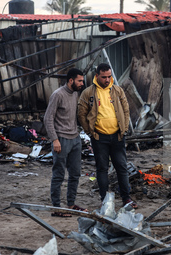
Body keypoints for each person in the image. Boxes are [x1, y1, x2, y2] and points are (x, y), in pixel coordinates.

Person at [78, 63, 138, 209]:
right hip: (99, 138)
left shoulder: (117, 91)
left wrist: (123, 129)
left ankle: (126, 199)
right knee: (102, 169)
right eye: (104, 77)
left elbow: (125, 110)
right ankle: (105, 200)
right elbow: (81, 113)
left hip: (117, 136)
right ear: (97, 75)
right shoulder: (88, 93)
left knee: (121, 167)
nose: (107, 79)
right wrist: (89, 132)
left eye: (109, 76)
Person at [44, 68, 87, 217]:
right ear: (70, 80)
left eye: (82, 80)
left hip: (75, 139)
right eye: (79, 80)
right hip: (61, 140)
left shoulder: (75, 93)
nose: (82, 83)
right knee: (59, 175)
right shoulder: (57, 95)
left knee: (75, 174)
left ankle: (71, 204)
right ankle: (56, 207)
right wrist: (55, 140)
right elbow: (48, 118)